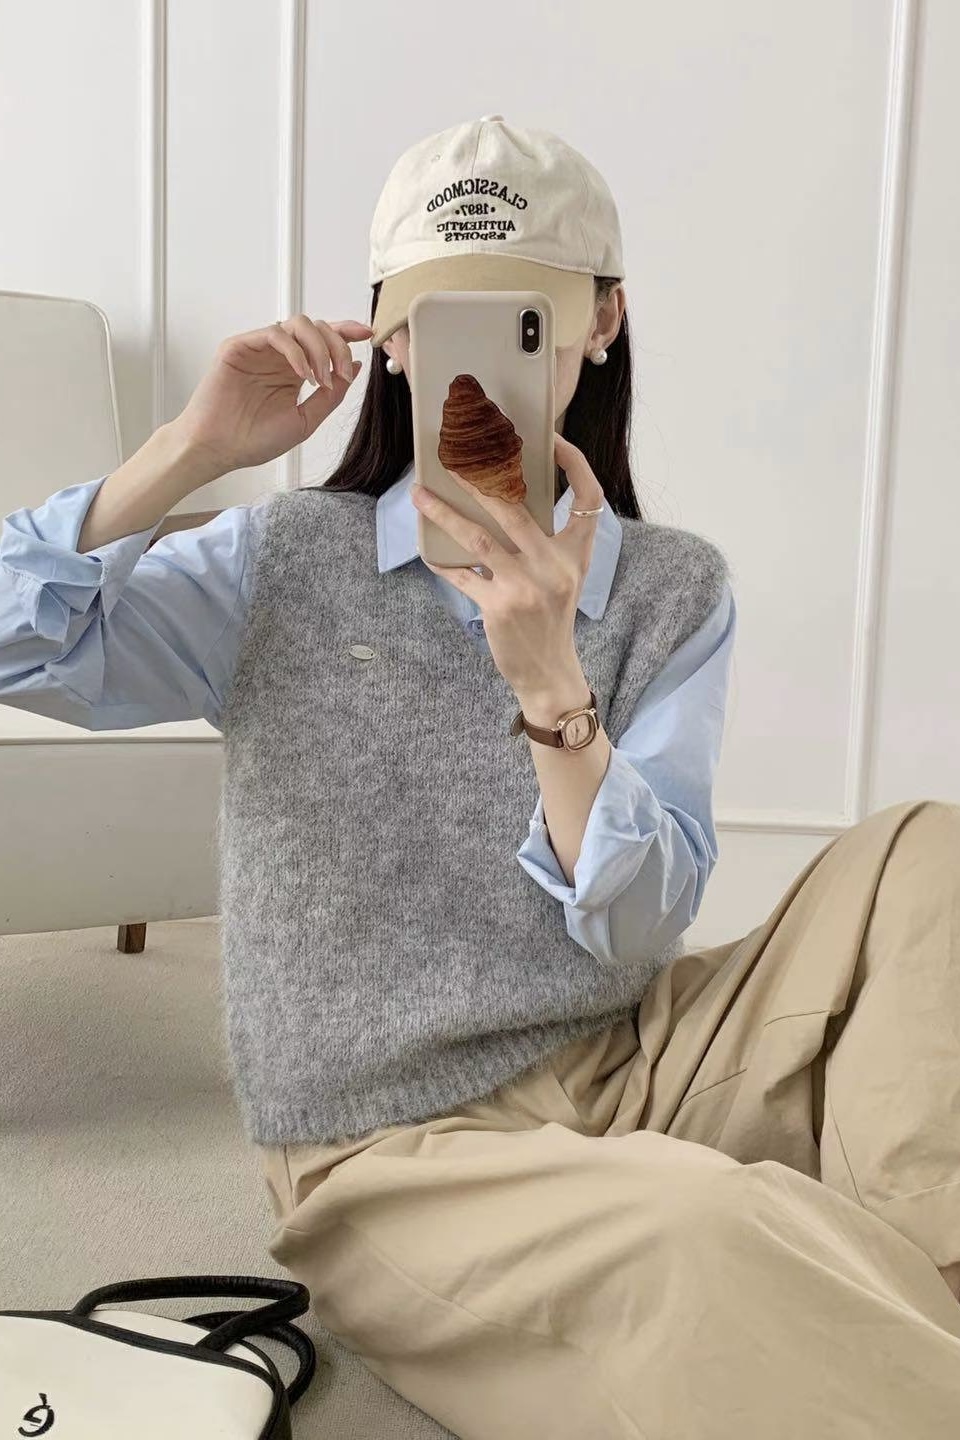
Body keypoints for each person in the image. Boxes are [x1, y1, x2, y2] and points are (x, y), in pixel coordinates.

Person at [1, 115, 958, 1438]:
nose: (474, 363)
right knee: (703, 1228)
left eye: (524, 319)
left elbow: (639, 928)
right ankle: (832, 1287)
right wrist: (190, 451)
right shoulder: (283, 561)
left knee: (930, 853)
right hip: (394, 1153)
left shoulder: (671, 586)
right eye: (435, 321)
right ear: (388, 340)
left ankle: (907, 1285)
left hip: (637, 1059)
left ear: (602, 322)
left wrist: (552, 686)